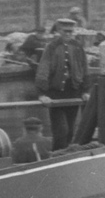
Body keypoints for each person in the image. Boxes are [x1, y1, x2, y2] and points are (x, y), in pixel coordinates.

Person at [35, 18, 89, 150]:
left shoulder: (78, 47)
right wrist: (42, 94)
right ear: (59, 30)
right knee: (60, 131)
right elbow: (43, 69)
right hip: (56, 95)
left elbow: (84, 68)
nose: (68, 34)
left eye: (71, 31)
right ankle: (57, 154)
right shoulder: (52, 47)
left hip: (74, 93)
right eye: (65, 31)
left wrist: (85, 91)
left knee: (70, 131)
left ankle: (66, 154)